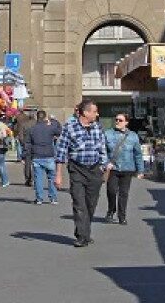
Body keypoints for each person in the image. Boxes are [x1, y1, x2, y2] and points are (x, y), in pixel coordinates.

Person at [55, 100, 110, 247]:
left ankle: (85, 232)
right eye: (94, 111)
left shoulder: (98, 127)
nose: (97, 114)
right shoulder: (70, 128)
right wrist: (58, 174)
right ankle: (81, 236)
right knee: (79, 203)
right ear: (85, 113)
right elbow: (61, 152)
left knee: (91, 204)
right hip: (77, 169)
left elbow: (102, 149)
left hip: (94, 169)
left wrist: (105, 168)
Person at [104, 113, 144, 225]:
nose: (117, 122)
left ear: (126, 122)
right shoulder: (107, 134)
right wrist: (106, 163)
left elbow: (138, 154)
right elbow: (103, 151)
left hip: (128, 168)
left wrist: (140, 170)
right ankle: (111, 210)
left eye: (120, 120)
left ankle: (122, 216)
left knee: (124, 193)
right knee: (111, 191)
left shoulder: (133, 136)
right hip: (113, 168)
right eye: (116, 119)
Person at [26, 109, 62, 204]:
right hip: (49, 155)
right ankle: (53, 198)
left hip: (37, 155)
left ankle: (39, 198)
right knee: (51, 177)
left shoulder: (32, 129)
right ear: (45, 117)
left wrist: (25, 156)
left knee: (38, 178)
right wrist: (53, 122)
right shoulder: (50, 127)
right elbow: (59, 131)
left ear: (37, 118)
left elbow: (28, 143)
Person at [15, 110, 37, 186]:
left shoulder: (24, 124)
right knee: (36, 163)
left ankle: (28, 179)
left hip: (27, 145)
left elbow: (20, 136)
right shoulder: (37, 124)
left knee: (27, 163)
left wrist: (23, 144)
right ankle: (35, 178)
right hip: (36, 146)